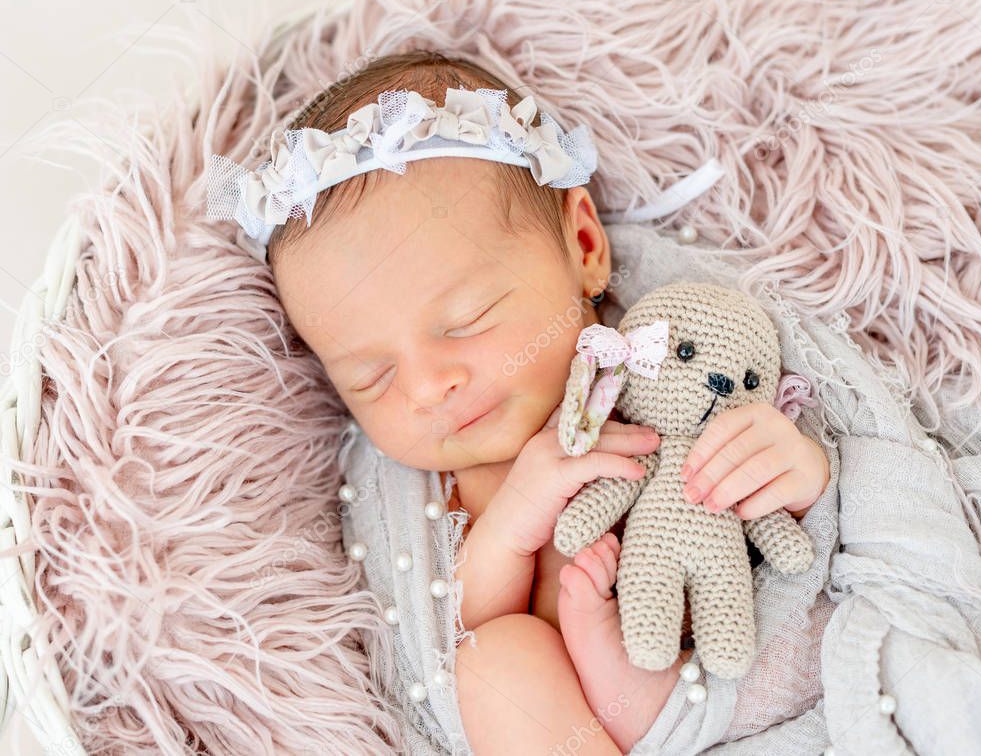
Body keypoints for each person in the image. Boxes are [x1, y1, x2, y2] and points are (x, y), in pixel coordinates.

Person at [208, 49, 829, 755]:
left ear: (585, 245)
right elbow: (459, 630)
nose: (424, 387)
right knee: (496, 667)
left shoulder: (661, 353)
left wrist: (801, 474)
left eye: (466, 321)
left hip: (753, 695)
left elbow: (816, 503)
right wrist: (511, 524)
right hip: (593, 731)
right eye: (370, 377)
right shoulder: (453, 485)